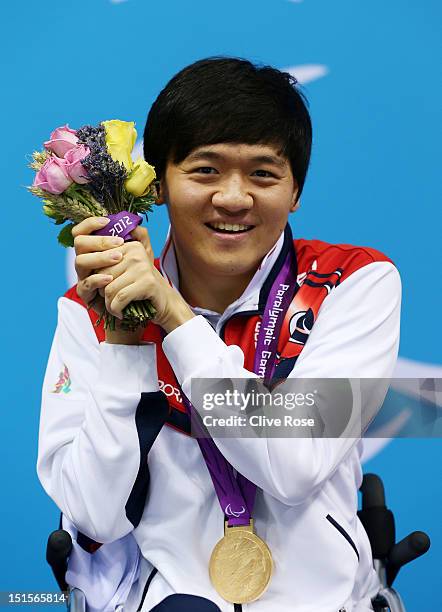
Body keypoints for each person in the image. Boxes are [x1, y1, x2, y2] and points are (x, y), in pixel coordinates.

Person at [37, 57, 401, 612]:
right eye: (205, 170)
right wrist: (125, 342)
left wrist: (175, 319)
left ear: (296, 190)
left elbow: (294, 466)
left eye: (263, 174)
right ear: (158, 185)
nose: (233, 198)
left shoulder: (352, 284)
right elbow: (96, 516)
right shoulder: (88, 313)